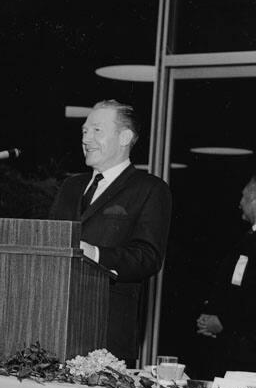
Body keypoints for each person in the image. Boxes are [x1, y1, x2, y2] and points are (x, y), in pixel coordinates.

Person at [49, 99, 172, 362]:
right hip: (53, 324)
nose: (86, 139)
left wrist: (95, 253)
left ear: (125, 137)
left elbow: (148, 256)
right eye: (84, 131)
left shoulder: (149, 189)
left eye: (96, 130)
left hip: (106, 332)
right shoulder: (70, 187)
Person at [196, 173, 256, 374]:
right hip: (242, 349)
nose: (240, 203)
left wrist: (224, 321)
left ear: (254, 196)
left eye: (243, 196)